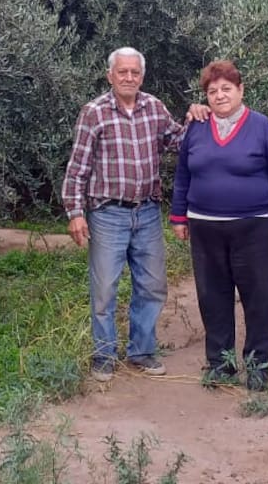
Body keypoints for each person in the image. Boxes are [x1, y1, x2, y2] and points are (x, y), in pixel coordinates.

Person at [62, 47, 208, 383]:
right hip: (107, 214)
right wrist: (75, 212)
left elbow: (180, 142)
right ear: (110, 75)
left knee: (153, 286)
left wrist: (197, 115)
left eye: (135, 72)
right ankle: (104, 355)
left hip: (147, 213)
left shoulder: (154, 107)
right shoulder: (94, 113)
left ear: (142, 76)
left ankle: (141, 351)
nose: (129, 77)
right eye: (122, 72)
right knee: (104, 290)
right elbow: (78, 167)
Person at [169, 59, 268, 391]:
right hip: (205, 227)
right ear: (206, 97)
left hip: (254, 226)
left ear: (241, 90)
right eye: (212, 91)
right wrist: (178, 216)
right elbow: (183, 175)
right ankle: (220, 364)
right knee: (212, 297)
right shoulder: (196, 127)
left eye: (226, 88)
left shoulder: (262, 127)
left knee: (260, 297)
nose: (220, 95)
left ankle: (258, 366)